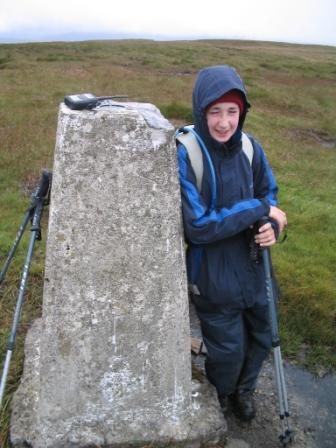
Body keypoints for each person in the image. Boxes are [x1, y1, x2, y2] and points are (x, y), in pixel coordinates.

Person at [177, 65, 287, 421]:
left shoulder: (251, 149)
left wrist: (269, 223)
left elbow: (267, 193)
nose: (225, 122)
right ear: (201, 110)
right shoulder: (186, 153)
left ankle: (245, 390)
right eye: (215, 112)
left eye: (232, 111)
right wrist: (259, 208)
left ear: (242, 112)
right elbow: (199, 227)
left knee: (263, 333)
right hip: (213, 276)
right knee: (227, 349)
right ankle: (222, 394)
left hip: (256, 267)